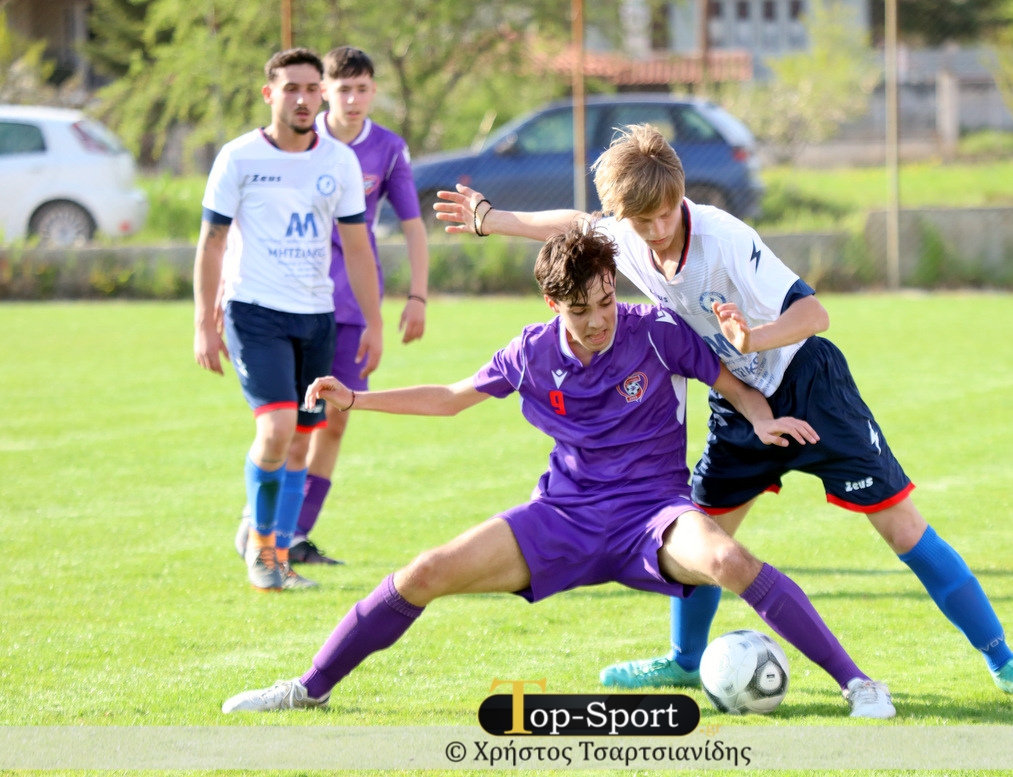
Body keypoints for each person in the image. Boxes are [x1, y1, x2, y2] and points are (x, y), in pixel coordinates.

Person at [432, 124, 1013, 705]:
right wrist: (491, 218)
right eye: (640, 221)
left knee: (901, 528)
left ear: (680, 194)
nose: (654, 230)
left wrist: (753, 337)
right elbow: (575, 224)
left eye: (663, 214)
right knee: (701, 534)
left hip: (809, 387)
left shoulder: (725, 239)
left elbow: (815, 314)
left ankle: (1007, 662)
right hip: (739, 403)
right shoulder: (624, 233)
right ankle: (685, 662)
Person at [221, 225, 895, 718]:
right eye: (581, 309)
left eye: (606, 301)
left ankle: (859, 684)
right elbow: (451, 398)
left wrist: (762, 417)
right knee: (425, 571)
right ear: (552, 304)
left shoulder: (657, 330)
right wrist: (356, 399)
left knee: (726, 558)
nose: (600, 320)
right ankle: (306, 688)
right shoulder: (530, 353)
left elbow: (731, 383)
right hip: (562, 518)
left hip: (653, 516)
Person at [232, 46, 431, 566]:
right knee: (285, 421)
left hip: (352, 306)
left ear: (374, 91)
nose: (353, 99)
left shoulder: (387, 149)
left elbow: (413, 225)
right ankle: (261, 524)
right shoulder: (297, 141)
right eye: (343, 89)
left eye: (362, 89)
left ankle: (293, 534)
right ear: (325, 92)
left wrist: (416, 296)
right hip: (290, 299)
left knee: (334, 418)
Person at [194, 48, 383, 592]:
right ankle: (261, 551)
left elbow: (358, 249)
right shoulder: (238, 157)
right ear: (269, 94)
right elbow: (211, 242)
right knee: (276, 429)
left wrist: (373, 322)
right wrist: (203, 321)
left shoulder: (338, 162)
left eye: (311, 88)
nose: (303, 99)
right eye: (291, 88)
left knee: (300, 442)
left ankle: (275, 551)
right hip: (255, 311)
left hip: (317, 316)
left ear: (321, 93)